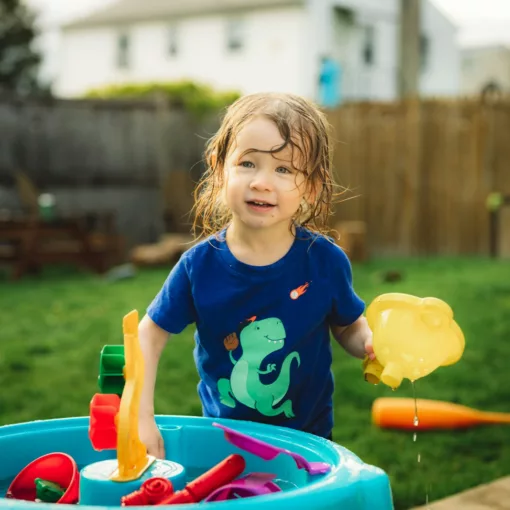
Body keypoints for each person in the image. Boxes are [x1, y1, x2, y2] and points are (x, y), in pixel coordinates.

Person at [138, 92, 375, 459]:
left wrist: (370, 345)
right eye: (248, 163)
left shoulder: (325, 262)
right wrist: (141, 416)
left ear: (311, 186)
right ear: (220, 169)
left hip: (308, 446)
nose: (262, 182)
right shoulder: (198, 266)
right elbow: (149, 335)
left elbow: (347, 326)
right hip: (224, 445)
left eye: (284, 170)